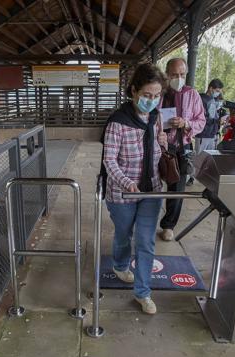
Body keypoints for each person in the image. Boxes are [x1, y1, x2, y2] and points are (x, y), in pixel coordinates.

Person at [102, 63, 168, 314]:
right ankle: (120, 265)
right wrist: (126, 183)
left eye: (156, 96)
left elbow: (157, 152)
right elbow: (109, 160)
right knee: (124, 234)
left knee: (145, 241)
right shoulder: (118, 122)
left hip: (150, 189)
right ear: (133, 91)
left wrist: (163, 141)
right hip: (122, 193)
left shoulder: (156, 117)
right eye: (146, 95)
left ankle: (143, 292)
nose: (151, 101)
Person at [159, 58, 206, 241]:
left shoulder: (192, 94)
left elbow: (201, 121)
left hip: (181, 147)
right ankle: (144, 221)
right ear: (167, 74)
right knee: (150, 184)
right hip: (159, 145)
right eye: (174, 75)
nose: (178, 78)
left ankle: (168, 225)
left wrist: (186, 123)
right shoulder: (160, 93)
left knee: (176, 188)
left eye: (182, 75)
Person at [197, 78, 227, 153]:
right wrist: (217, 121)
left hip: (211, 135)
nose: (218, 93)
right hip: (203, 135)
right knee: (199, 159)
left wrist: (220, 120)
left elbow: (213, 115)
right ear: (210, 88)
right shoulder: (201, 99)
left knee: (209, 160)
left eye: (219, 92)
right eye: (217, 91)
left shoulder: (213, 100)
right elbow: (201, 118)